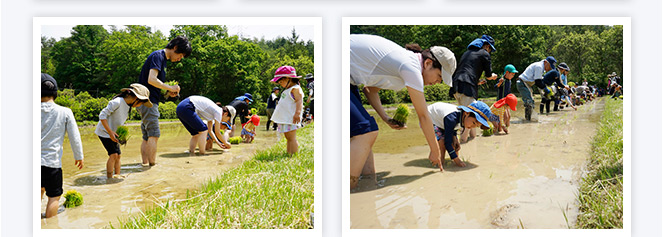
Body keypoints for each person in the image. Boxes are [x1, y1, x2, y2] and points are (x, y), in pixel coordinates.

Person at [349, 34, 456, 189]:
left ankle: (368, 184)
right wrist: (435, 151)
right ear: (428, 63)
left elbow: (370, 90)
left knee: (364, 133)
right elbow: (424, 116)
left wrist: (386, 118)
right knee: (366, 131)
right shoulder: (410, 66)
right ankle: (346, 190)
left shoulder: (406, 62)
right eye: (439, 76)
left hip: (349, 79)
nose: (437, 83)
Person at [137, 36, 192, 166]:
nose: (180, 58)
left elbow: (152, 83)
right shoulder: (159, 56)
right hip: (148, 102)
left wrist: (168, 92)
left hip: (144, 101)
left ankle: (144, 165)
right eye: (181, 55)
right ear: (175, 48)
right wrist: (170, 87)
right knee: (154, 134)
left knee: (147, 136)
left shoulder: (161, 59)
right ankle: (151, 166)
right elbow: (151, 79)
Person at [41, 73, 84, 218]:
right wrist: (79, 156)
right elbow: (75, 137)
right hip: (52, 164)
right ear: (56, 93)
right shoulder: (65, 112)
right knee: (54, 197)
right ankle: (49, 226)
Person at [95, 84, 152, 179]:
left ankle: (117, 175)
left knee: (118, 156)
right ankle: (109, 178)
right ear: (135, 98)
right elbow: (102, 116)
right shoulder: (117, 102)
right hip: (104, 132)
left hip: (114, 133)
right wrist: (110, 132)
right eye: (140, 103)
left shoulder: (128, 106)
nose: (139, 106)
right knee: (113, 155)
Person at [450, 35, 498, 142]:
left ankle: (472, 142)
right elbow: (488, 75)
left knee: (467, 116)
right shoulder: (484, 53)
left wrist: (477, 82)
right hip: (467, 87)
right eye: (490, 49)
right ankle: (461, 143)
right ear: (486, 46)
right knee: (470, 118)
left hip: (456, 85)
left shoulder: (467, 53)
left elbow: (465, 71)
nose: (489, 52)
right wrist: (493, 76)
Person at [428, 101, 493, 168]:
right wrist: (457, 160)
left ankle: (441, 162)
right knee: (441, 142)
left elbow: (453, 129)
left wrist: (455, 139)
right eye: (473, 123)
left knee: (454, 144)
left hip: (442, 122)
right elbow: (447, 142)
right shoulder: (452, 118)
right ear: (467, 113)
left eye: (476, 126)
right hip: (429, 118)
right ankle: (438, 165)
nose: (472, 127)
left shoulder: (462, 118)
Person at [271, 65, 305, 155]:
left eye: (281, 82)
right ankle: (289, 152)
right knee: (288, 137)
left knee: (291, 137)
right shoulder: (288, 89)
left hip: (291, 118)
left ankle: (293, 154)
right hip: (286, 118)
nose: (280, 84)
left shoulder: (295, 89)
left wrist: (297, 113)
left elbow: (299, 100)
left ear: (288, 78)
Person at [516, 56, 556, 121]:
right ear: (546, 62)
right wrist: (545, 89)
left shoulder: (540, 67)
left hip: (526, 84)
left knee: (530, 102)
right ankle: (528, 120)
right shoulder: (539, 67)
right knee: (529, 102)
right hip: (523, 83)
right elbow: (538, 82)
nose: (549, 69)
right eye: (550, 67)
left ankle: (527, 119)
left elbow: (540, 80)